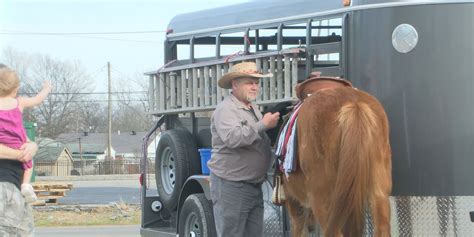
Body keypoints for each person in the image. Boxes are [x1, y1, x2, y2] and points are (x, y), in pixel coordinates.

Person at [208, 62, 280, 237]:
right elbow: (233, 138)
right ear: (235, 84)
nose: (255, 87)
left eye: (256, 82)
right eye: (249, 82)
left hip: (252, 186)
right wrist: (262, 125)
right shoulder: (226, 109)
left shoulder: (251, 107)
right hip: (232, 186)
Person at [0, 66, 52, 204]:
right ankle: (26, 184)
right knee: (28, 162)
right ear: (16, 88)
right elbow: (37, 99)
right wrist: (46, 89)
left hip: (3, 143)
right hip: (19, 143)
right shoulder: (19, 102)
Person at [0, 140, 38, 236]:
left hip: (18, 187)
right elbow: (25, 155)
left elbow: (28, 141)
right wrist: (21, 154)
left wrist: (33, 146)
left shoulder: (14, 125)